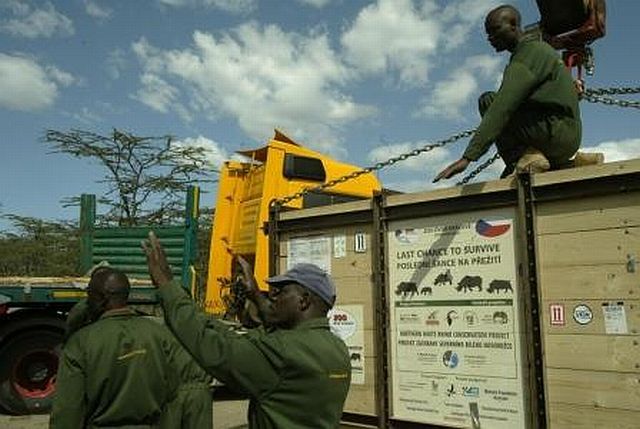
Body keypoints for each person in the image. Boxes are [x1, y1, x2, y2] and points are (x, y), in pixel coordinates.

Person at [142, 231, 351, 429]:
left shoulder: (283, 351)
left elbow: (216, 348)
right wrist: (256, 297)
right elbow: (247, 338)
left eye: (282, 292)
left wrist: (167, 286)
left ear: (304, 300)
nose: (274, 297)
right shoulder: (336, 348)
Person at [434, 4, 593, 182]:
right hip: (568, 138)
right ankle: (567, 164)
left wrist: (468, 157)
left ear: (513, 24)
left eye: (495, 30)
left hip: (553, 135)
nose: (490, 38)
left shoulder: (526, 56)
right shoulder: (542, 52)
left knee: (488, 100)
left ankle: (522, 159)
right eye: (488, 34)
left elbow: (501, 107)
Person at [58, 266, 213, 429]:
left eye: (89, 295)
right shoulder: (159, 334)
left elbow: (68, 410)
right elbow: (174, 391)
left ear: (99, 298)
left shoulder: (80, 344)